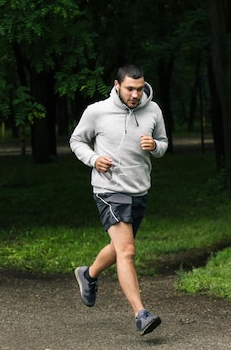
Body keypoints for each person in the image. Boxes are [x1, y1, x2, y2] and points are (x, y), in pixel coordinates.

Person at [70, 64, 168, 335]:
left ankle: (88, 275)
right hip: (109, 190)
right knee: (127, 251)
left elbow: (163, 143)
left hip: (139, 190)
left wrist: (155, 147)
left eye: (139, 89)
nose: (135, 94)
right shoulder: (97, 111)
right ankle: (141, 313)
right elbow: (77, 140)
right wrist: (93, 159)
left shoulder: (153, 110)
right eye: (129, 89)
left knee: (119, 247)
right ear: (117, 85)